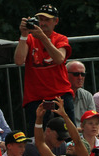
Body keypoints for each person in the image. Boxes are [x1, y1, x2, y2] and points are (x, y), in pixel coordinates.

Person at [15, 4, 74, 132]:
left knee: (68, 135)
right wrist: (24, 35)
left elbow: (59, 59)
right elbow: (19, 61)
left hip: (60, 95)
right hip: (36, 97)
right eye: (40, 19)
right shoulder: (29, 39)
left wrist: (43, 38)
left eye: (47, 20)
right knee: (37, 137)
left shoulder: (60, 38)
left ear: (55, 21)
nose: (42, 23)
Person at [68, 61, 96, 127]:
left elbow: (94, 122)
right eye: (76, 74)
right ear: (65, 75)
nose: (80, 77)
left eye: (83, 74)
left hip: (86, 133)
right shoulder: (58, 96)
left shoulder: (87, 95)